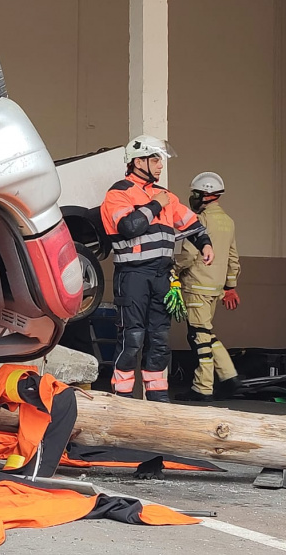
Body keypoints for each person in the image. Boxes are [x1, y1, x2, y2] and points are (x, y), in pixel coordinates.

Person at [100, 135, 214, 402]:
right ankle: (122, 399)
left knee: (159, 339)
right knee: (132, 338)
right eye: (155, 159)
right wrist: (155, 205)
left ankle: (158, 398)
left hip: (162, 275)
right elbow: (129, 227)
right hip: (133, 275)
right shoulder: (118, 194)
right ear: (138, 162)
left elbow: (190, 223)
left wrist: (205, 243)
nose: (160, 165)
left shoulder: (165, 195)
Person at [174, 172, 242, 402]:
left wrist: (172, 270)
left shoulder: (200, 221)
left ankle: (202, 387)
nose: (192, 197)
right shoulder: (228, 221)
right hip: (215, 288)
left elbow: (189, 254)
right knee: (205, 332)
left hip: (197, 285)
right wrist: (230, 286)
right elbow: (233, 258)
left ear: (205, 195)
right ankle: (229, 375)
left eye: (195, 193)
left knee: (199, 336)